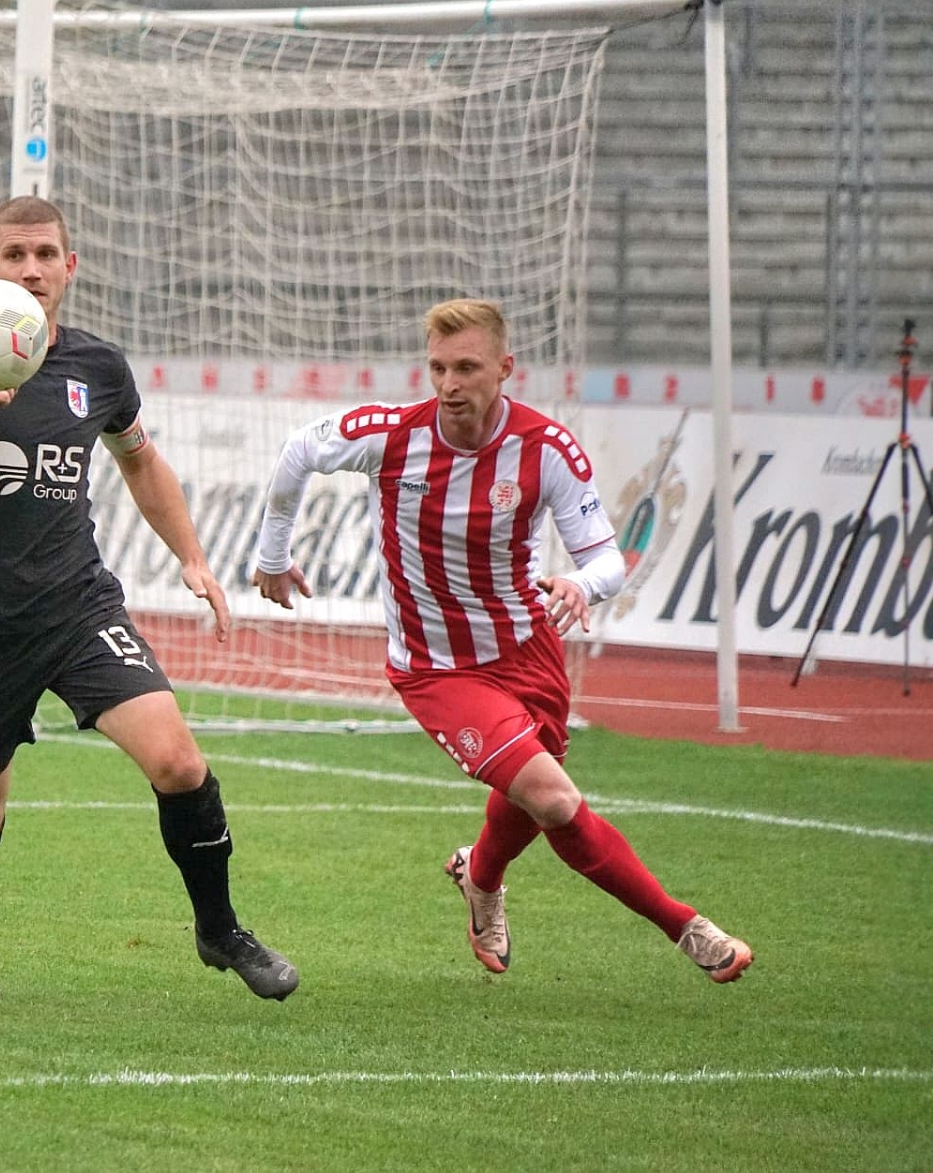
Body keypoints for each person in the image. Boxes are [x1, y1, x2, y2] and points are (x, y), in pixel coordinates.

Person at [0, 196, 299, 1002]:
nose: (32, 269)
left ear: (70, 266)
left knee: (178, 760)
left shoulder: (97, 366)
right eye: (15, 255)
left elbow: (140, 459)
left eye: (45, 255)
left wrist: (192, 556)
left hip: (77, 608)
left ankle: (220, 928)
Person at [250, 298, 753, 984]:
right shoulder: (392, 435)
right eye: (437, 368)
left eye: (466, 367)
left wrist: (581, 584)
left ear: (504, 368)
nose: (449, 384)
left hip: (528, 650)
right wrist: (273, 555)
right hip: (437, 668)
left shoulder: (545, 448)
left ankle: (480, 877)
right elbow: (299, 450)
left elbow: (606, 558)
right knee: (554, 799)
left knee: (530, 795)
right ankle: (686, 926)